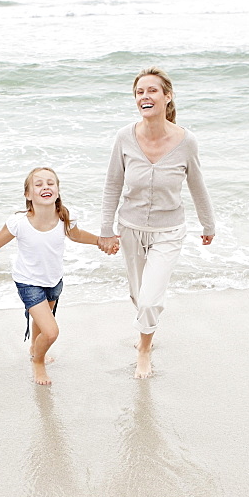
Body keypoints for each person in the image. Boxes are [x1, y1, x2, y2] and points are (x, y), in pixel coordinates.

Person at [99, 66, 215, 379]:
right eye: (140, 92)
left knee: (150, 300)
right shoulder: (124, 137)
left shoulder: (186, 141)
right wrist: (105, 230)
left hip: (169, 231)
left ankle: (144, 350)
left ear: (167, 97)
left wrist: (209, 224)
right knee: (139, 296)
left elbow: (197, 185)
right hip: (131, 228)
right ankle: (146, 332)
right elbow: (113, 184)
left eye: (152, 91)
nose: (145, 96)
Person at [0, 167, 103, 385]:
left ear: (57, 191)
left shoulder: (65, 217)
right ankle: (38, 363)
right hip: (28, 282)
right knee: (51, 332)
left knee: (40, 324)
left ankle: (34, 349)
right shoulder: (19, 222)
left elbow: (78, 235)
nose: (45, 186)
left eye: (50, 183)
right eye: (38, 184)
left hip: (54, 281)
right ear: (28, 195)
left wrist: (101, 241)